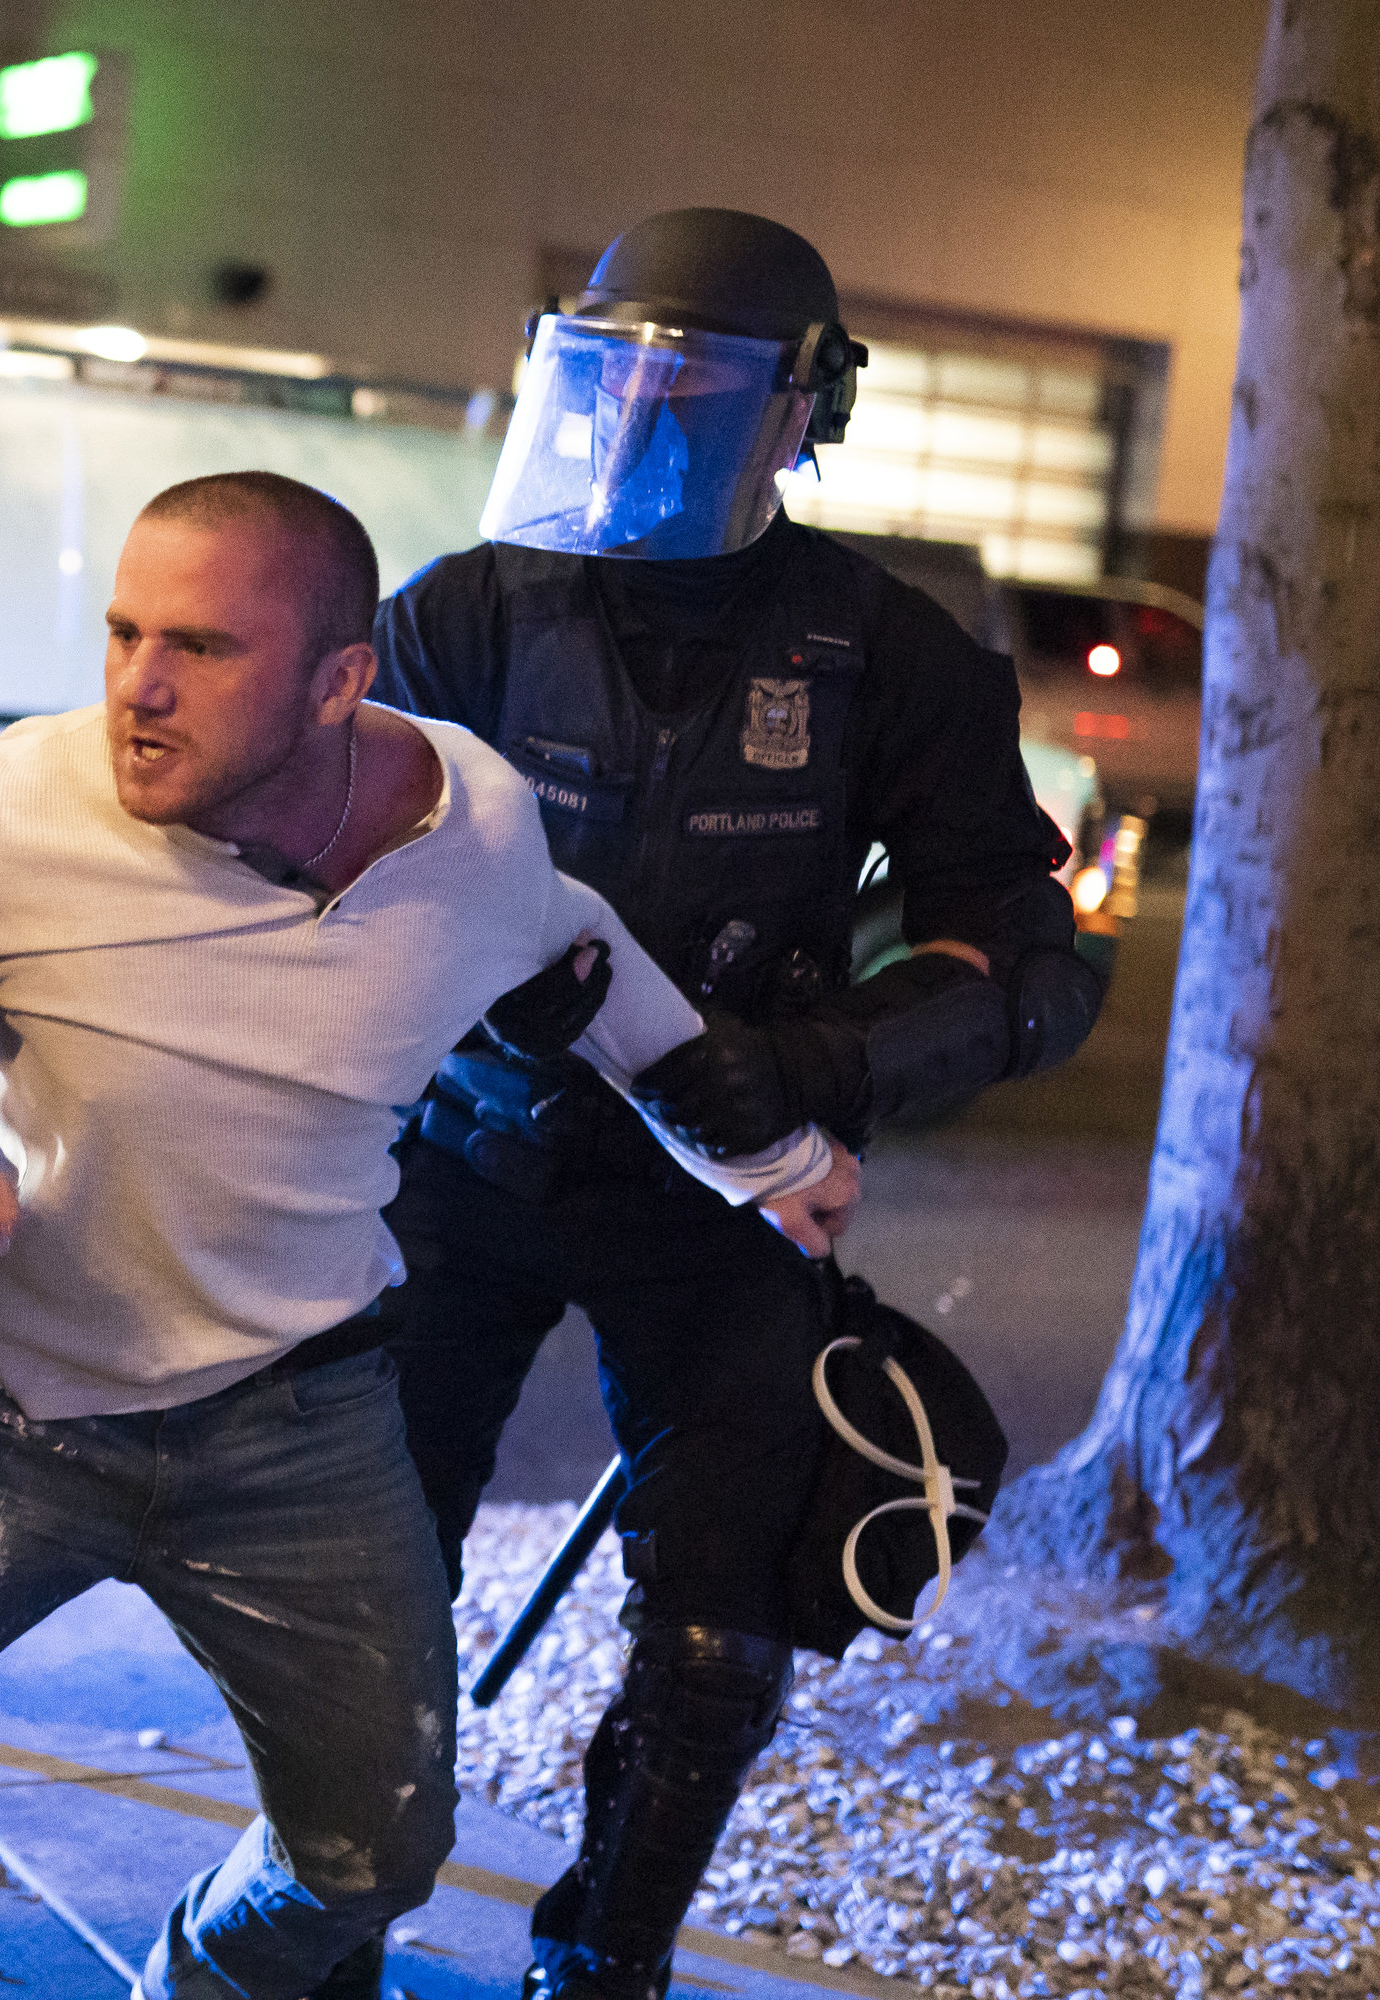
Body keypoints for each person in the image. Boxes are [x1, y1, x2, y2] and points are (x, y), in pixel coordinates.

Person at [0, 470, 857, 2000]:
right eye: (121, 635)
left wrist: (768, 1158)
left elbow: (586, 958)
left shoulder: (470, 830)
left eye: (201, 649)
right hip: (2, 1405)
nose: (137, 690)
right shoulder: (2, 821)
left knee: (372, 1860)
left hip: (299, 1424)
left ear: (339, 683)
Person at [369, 208, 1107, 2000]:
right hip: (461, 1156)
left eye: (695, 390)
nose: (644, 425)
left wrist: (824, 1068)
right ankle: (324, 1927)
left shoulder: (887, 654)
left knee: (715, 1633)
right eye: (613, 379)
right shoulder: (468, 609)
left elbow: (1030, 962)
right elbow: (316, 865)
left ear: (801, 413)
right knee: (367, 1586)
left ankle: (608, 1954)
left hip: (715, 1174)